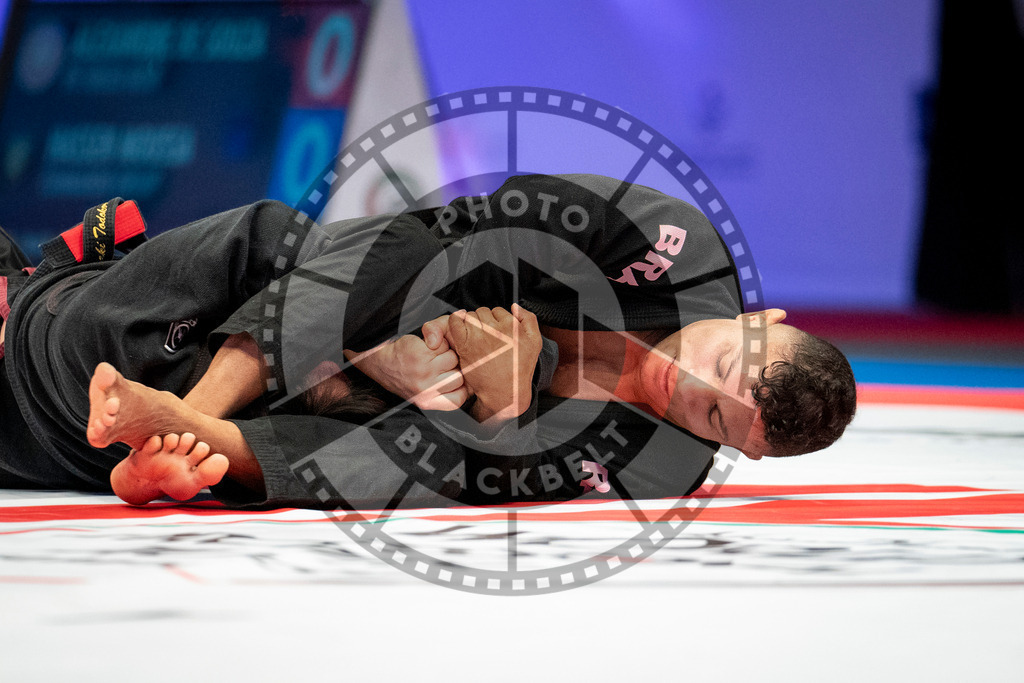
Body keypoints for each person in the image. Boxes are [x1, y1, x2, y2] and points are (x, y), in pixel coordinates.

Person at [0, 174, 856, 508]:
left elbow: (487, 474)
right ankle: (187, 417)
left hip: (320, 410)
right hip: (213, 321)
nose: (681, 387)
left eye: (711, 419)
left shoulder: (664, 463)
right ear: (759, 321)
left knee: (425, 464)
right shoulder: (673, 244)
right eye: (713, 367)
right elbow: (462, 227)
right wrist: (398, 340)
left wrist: (509, 407)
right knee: (340, 246)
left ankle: (193, 443)